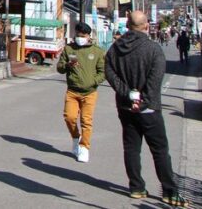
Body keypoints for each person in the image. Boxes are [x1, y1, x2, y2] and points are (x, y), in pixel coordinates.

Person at [105, 11, 186, 206]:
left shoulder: (115, 49)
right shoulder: (153, 49)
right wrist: (143, 101)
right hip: (149, 109)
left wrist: (127, 94)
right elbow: (155, 80)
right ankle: (169, 191)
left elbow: (109, 72)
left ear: (128, 26)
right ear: (146, 26)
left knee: (131, 147)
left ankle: (136, 187)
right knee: (159, 150)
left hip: (125, 107)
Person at [56, 22, 106, 163]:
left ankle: (84, 148)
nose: (79, 37)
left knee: (86, 121)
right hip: (72, 91)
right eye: (77, 35)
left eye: (82, 35)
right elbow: (60, 68)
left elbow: (103, 72)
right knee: (69, 117)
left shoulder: (97, 51)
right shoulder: (68, 49)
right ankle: (75, 137)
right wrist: (67, 65)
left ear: (88, 36)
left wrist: (93, 81)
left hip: (90, 92)